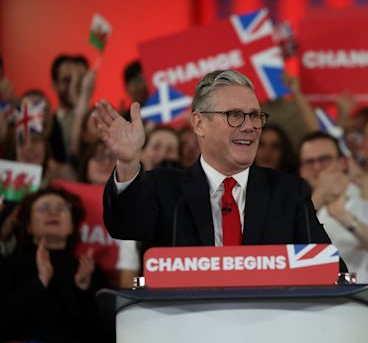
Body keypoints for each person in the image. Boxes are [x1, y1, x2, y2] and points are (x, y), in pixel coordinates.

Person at [94, 70, 331, 247]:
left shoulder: (289, 193)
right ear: (199, 123)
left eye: (255, 116)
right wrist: (127, 162)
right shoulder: (165, 190)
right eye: (235, 115)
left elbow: (329, 271)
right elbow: (125, 225)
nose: (250, 127)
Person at [0, 187, 109, 342]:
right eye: (43, 208)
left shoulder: (88, 269)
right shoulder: (9, 265)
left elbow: (105, 333)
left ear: (72, 226)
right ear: (28, 226)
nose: (53, 213)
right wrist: (39, 282)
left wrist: (84, 289)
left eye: (62, 208)